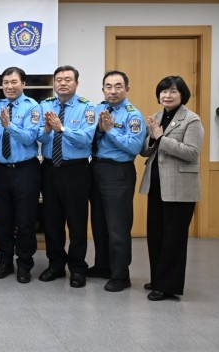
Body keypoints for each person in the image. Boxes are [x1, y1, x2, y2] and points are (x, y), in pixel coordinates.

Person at [139, 75, 204, 301]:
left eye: (173, 91)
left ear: (182, 94)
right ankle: (158, 279)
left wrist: (161, 138)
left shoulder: (191, 119)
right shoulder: (157, 117)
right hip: (156, 185)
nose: (167, 95)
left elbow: (192, 152)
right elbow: (145, 151)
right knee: (156, 235)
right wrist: (151, 137)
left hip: (180, 188)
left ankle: (168, 286)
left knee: (173, 238)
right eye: (164, 91)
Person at [37, 65, 96, 288]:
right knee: (52, 221)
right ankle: (56, 265)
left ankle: (78, 268)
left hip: (76, 170)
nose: (62, 83)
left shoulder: (87, 108)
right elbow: (39, 138)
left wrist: (61, 129)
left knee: (76, 222)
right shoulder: (45, 106)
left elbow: (86, 139)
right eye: (59, 79)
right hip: (50, 168)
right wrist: (46, 130)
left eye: (68, 79)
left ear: (76, 83)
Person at [88, 71, 146, 292]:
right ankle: (103, 266)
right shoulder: (97, 109)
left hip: (118, 171)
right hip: (96, 168)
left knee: (117, 226)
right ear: (103, 89)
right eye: (108, 86)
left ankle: (121, 275)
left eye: (118, 86)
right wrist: (99, 129)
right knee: (99, 223)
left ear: (127, 89)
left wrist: (110, 131)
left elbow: (134, 147)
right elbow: (88, 136)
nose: (113, 91)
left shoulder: (133, 115)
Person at [0, 67, 42, 284]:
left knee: (25, 221)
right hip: (2, 170)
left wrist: (9, 125)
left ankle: (24, 264)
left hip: (25, 170)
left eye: (14, 82)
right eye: (5, 82)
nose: (9, 86)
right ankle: (4, 262)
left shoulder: (32, 107)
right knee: (2, 220)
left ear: (23, 84)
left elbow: (30, 138)